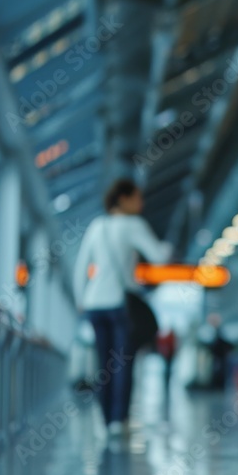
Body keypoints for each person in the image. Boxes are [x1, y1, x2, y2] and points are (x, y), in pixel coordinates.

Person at [73, 179, 171, 436]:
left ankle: (105, 420)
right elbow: (160, 258)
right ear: (123, 199)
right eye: (137, 198)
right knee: (121, 363)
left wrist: (81, 301)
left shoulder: (97, 225)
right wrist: (167, 247)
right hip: (119, 303)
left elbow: (81, 267)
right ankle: (118, 420)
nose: (142, 203)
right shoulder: (133, 225)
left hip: (94, 304)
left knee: (103, 364)